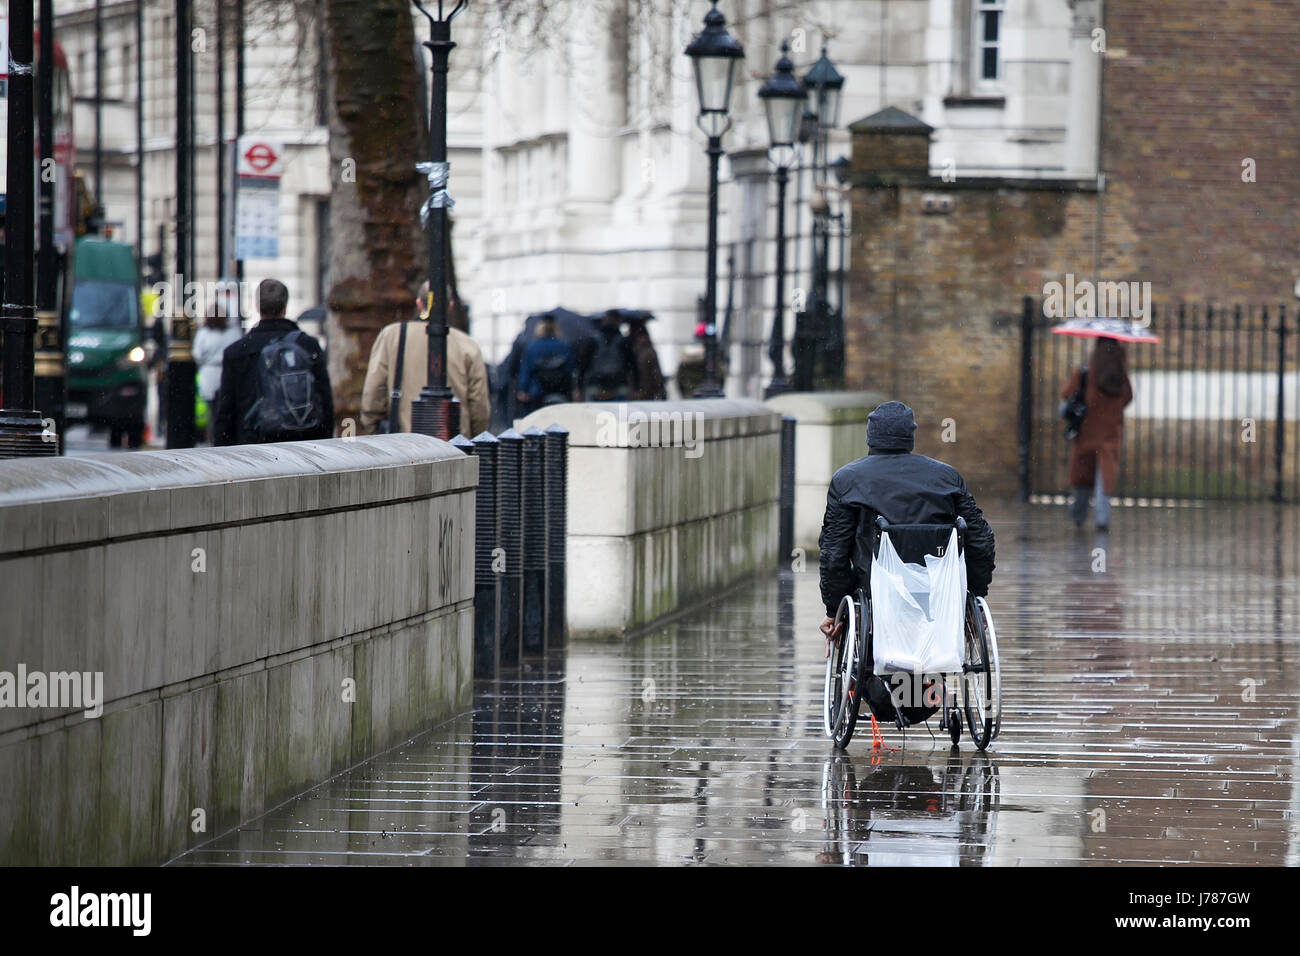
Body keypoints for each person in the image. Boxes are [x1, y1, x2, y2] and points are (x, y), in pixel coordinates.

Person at [817, 401, 996, 649]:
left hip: (875, 595)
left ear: (870, 437)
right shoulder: (946, 478)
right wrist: (973, 596)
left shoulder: (848, 480)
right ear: (910, 437)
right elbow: (980, 541)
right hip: (934, 592)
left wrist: (835, 607)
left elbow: (834, 552)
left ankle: (883, 683)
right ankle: (926, 685)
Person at [360, 282, 491, 438]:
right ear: (449, 306)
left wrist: (371, 430)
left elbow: (373, 394)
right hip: (454, 444)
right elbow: (479, 406)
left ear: (418, 303)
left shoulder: (392, 336)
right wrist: (474, 440)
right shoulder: (468, 346)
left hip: (404, 442)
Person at [213, 278, 334, 445]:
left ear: (257, 307)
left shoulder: (237, 351)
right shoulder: (308, 346)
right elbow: (325, 403)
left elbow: (226, 413)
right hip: (302, 444)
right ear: (285, 307)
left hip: (253, 446)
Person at [1060, 337, 1133, 531]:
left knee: (1082, 478)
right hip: (1109, 435)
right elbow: (1127, 398)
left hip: (1086, 433)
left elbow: (1066, 393)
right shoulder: (1120, 377)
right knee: (1104, 479)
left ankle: (1078, 514)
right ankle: (1102, 520)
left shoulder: (1085, 374)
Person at [192, 306, 243, 443]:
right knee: (226, 410)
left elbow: (197, 354)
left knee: (212, 413)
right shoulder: (232, 332)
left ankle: (213, 439)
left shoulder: (204, 332)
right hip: (225, 372)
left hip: (209, 372)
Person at [516, 317, 577, 413]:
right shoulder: (564, 346)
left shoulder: (532, 347)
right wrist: (574, 389)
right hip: (560, 390)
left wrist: (522, 389)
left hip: (537, 391)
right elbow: (570, 370)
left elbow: (526, 370)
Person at [584, 310, 635, 401]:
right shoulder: (623, 341)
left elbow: (584, 365)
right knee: (619, 413)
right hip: (618, 385)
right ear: (618, 321)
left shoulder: (593, 340)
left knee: (595, 414)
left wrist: (579, 387)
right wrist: (635, 387)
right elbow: (632, 365)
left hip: (596, 385)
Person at [627, 313, 667, 400]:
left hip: (631, 394)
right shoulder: (648, 350)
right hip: (646, 393)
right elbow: (656, 374)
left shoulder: (627, 349)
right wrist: (661, 391)